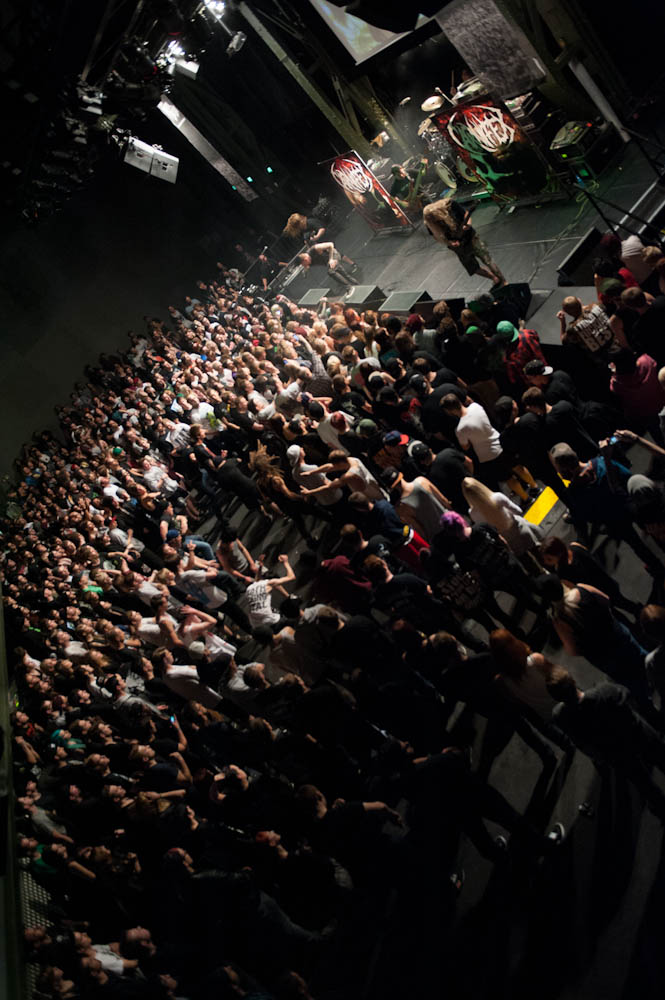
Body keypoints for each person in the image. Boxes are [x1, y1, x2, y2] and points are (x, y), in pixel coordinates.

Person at [547, 667, 665, 818]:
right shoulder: (604, 691)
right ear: (573, 681)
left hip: (614, 752)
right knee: (661, 757)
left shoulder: (560, 716)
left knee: (642, 781)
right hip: (636, 734)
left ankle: (660, 806)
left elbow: (579, 742)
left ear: (557, 698)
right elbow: (626, 694)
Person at [423, 198, 505, 287]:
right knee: (472, 268)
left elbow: (466, 214)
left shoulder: (450, 205)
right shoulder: (429, 221)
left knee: (487, 260)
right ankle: (494, 278)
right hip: (458, 247)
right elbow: (435, 236)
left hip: (471, 238)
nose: (435, 220)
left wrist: (468, 224)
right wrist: (450, 243)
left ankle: (504, 281)